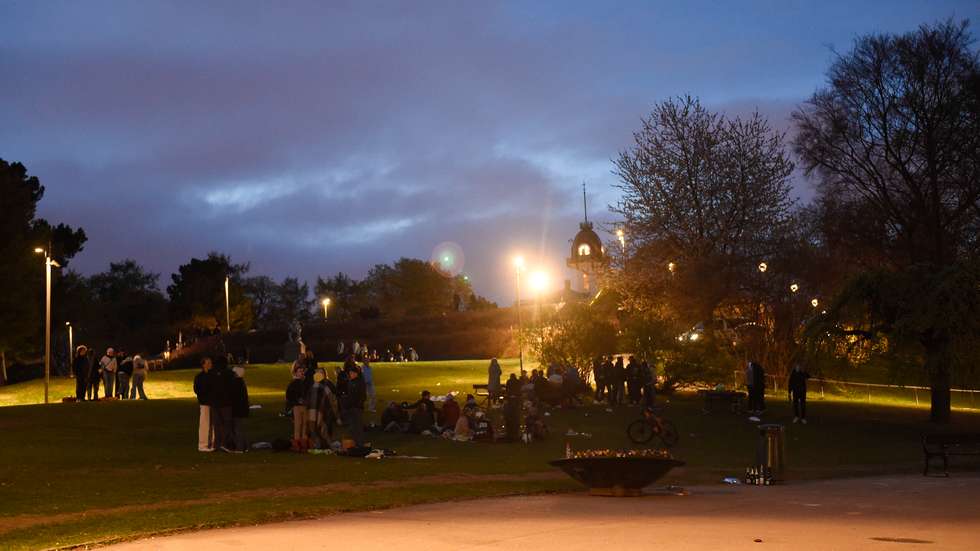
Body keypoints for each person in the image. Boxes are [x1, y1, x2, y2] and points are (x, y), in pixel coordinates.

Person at [210, 359, 236, 452]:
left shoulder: (212, 373)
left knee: (217, 424)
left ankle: (217, 444)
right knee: (227, 424)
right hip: (226, 403)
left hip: (215, 403)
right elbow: (232, 388)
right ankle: (225, 443)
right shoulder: (229, 373)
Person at [339, 366, 367, 447]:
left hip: (357, 408)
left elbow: (362, 396)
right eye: (350, 373)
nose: (350, 375)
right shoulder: (350, 382)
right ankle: (355, 444)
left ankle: (360, 444)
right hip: (351, 407)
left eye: (351, 373)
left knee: (358, 427)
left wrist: (357, 404)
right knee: (353, 427)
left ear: (356, 373)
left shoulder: (360, 382)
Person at [193, 357, 214, 452]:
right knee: (204, 424)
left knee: (214, 425)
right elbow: (196, 389)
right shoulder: (199, 377)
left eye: (210, 363)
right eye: (208, 363)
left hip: (213, 402)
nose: (210, 364)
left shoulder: (213, 375)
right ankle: (203, 445)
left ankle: (213, 443)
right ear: (203, 365)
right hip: (205, 403)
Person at [286, 364, 308, 452]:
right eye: (299, 371)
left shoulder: (305, 382)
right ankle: (297, 444)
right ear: (296, 373)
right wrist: (297, 401)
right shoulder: (293, 383)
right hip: (297, 406)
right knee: (298, 425)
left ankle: (304, 443)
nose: (301, 373)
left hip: (304, 406)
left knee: (305, 425)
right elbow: (289, 396)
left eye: (302, 371)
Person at [231, 366, 249, 452]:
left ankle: (240, 447)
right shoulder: (241, 382)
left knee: (238, 429)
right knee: (241, 428)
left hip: (237, 409)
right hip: (242, 409)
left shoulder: (235, 383)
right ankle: (245, 446)